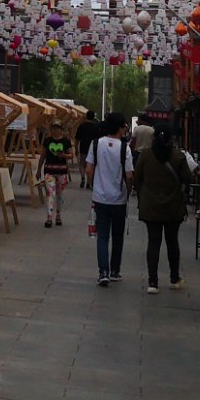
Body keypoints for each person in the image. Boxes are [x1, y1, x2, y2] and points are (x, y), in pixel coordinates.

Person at [134, 127, 190, 294]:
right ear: (171, 139)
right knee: (172, 242)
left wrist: (143, 194)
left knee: (153, 242)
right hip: (173, 206)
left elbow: (137, 178)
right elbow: (187, 179)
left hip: (151, 206)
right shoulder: (179, 156)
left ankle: (153, 282)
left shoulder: (145, 155)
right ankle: (174, 278)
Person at [85, 111, 134, 286]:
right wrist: (128, 192)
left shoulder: (96, 144)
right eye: (124, 126)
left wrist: (93, 185)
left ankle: (103, 272)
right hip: (119, 199)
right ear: (120, 128)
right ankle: (115, 270)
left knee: (102, 236)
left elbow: (89, 169)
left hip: (100, 197)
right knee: (118, 236)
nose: (125, 129)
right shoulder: (124, 148)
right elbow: (129, 175)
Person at [40, 121, 71, 228]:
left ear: (61, 129)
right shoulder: (47, 141)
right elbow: (43, 155)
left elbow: (71, 155)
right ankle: (49, 217)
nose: (55, 130)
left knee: (59, 194)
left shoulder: (66, 141)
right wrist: (39, 169)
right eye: (53, 128)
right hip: (49, 170)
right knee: (50, 193)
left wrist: (63, 155)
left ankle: (58, 215)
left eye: (57, 128)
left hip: (61, 171)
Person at [75, 115, 101, 190]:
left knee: (82, 164)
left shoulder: (81, 126)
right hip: (93, 148)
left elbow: (77, 138)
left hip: (83, 147)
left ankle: (83, 177)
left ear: (86, 117)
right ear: (93, 118)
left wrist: (76, 149)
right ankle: (88, 182)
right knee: (91, 165)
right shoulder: (96, 127)